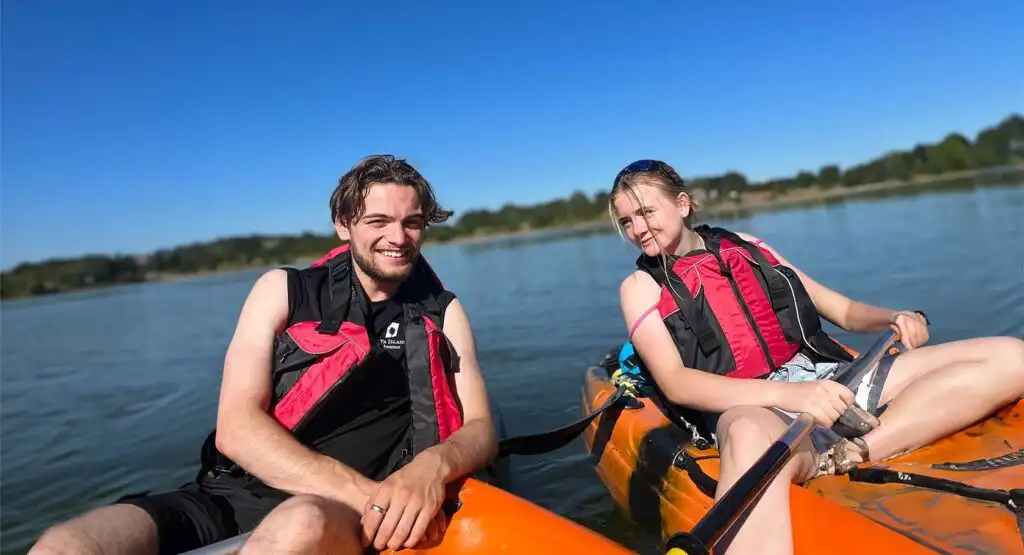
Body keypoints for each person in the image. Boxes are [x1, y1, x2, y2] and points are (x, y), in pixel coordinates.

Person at [30, 155, 500, 555]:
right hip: (230, 495)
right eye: (378, 221)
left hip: (326, 516)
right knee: (66, 543)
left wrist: (431, 468)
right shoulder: (283, 291)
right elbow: (236, 428)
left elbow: (481, 429)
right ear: (343, 225)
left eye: (411, 222)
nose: (397, 237)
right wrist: (375, 499)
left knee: (297, 526)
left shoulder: (444, 312)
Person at [608, 159, 1024, 555]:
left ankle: (855, 452)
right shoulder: (640, 287)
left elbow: (841, 310)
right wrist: (795, 397)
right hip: (750, 406)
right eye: (627, 221)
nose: (638, 229)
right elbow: (677, 382)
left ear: (682, 204)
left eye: (646, 212)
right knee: (747, 435)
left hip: (831, 378)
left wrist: (893, 316)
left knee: (1011, 356)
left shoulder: (748, 246)